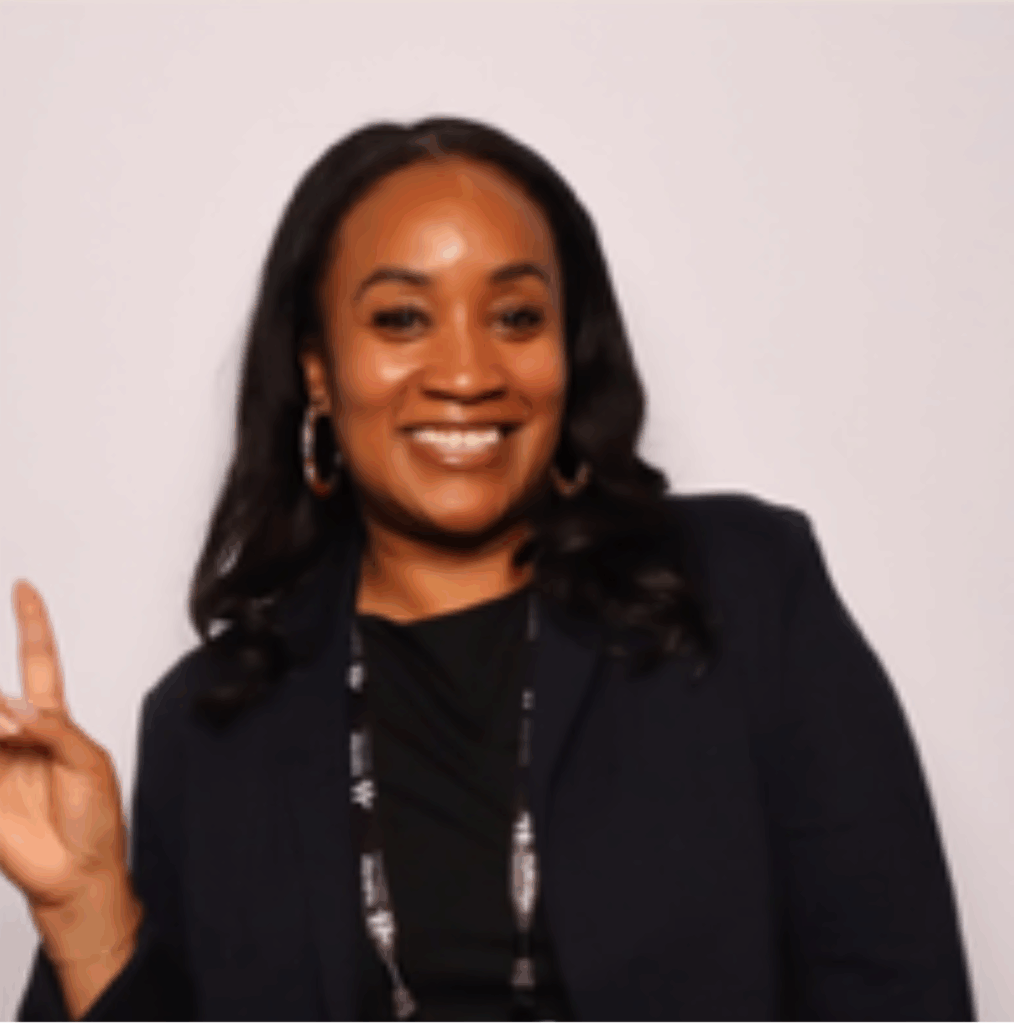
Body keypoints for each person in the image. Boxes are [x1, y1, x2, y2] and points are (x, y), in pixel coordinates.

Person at [1, 117, 973, 1022]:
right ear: (315, 371)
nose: (468, 372)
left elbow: (902, 990)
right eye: (400, 319)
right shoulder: (213, 724)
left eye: (515, 316)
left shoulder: (745, 595)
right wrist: (90, 916)